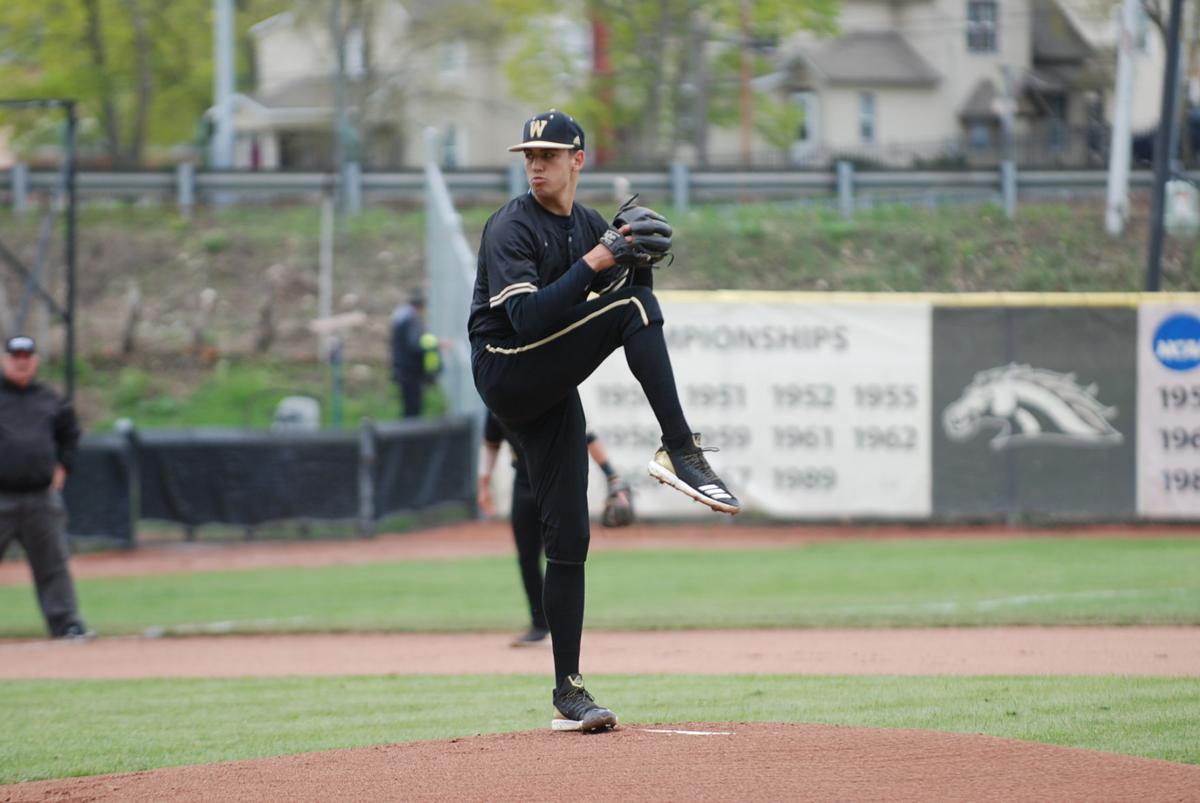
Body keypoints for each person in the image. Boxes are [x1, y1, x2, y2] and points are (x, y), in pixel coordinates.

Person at [468, 110, 739, 733]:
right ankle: (679, 449)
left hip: (550, 388)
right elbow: (529, 321)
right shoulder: (510, 225)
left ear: (576, 161)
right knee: (634, 311)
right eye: (529, 155)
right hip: (507, 368)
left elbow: (622, 291)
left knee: (570, 538)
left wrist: (633, 259)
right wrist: (600, 259)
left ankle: (569, 693)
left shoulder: (588, 224)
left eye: (549, 154)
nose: (536, 164)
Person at [476, 410, 633, 648]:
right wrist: (484, 485)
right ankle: (539, 625)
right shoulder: (498, 398)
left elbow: (586, 436)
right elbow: (491, 443)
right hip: (523, 480)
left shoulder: (549, 390)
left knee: (561, 555)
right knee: (526, 557)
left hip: (556, 477)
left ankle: (564, 626)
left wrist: (612, 476)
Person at [0, 335, 92, 640]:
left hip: (41, 498)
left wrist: (64, 465)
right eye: (15, 356)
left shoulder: (49, 399)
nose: (21, 361)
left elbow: (70, 433)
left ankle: (66, 623)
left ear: (35, 360)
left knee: (53, 564)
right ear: (5, 360)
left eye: (27, 356)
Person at [390, 288, 441, 418]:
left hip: (403, 369)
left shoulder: (400, 317)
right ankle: (409, 437)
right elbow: (414, 345)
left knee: (408, 408)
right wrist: (435, 346)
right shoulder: (410, 319)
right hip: (410, 371)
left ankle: (406, 436)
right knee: (413, 409)